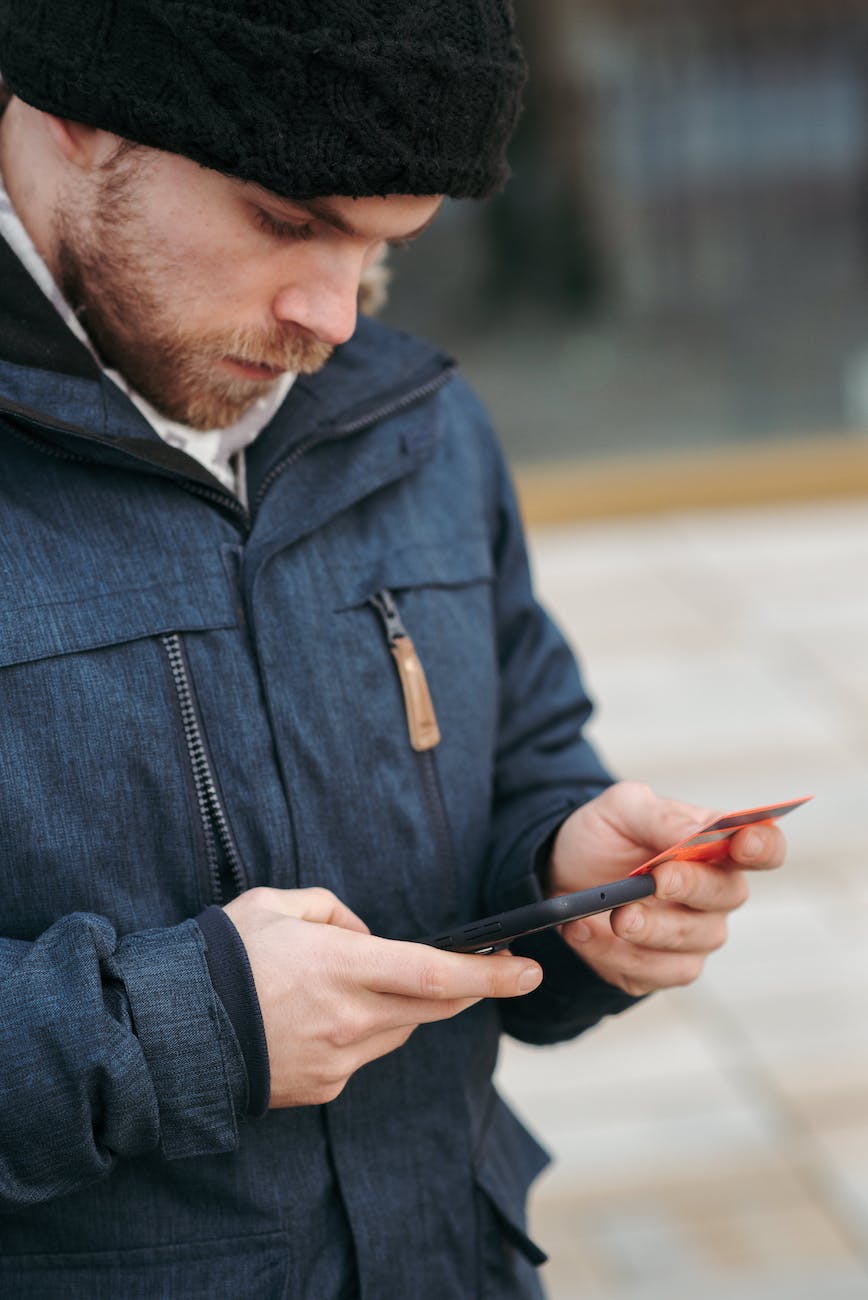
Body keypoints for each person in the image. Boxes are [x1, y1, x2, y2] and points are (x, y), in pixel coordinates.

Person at [0, 3, 786, 1297]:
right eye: (289, 219)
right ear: (77, 109)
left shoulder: (417, 421)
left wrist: (564, 873)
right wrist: (195, 1027)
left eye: (386, 245)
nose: (333, 318)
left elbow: (524, 754)